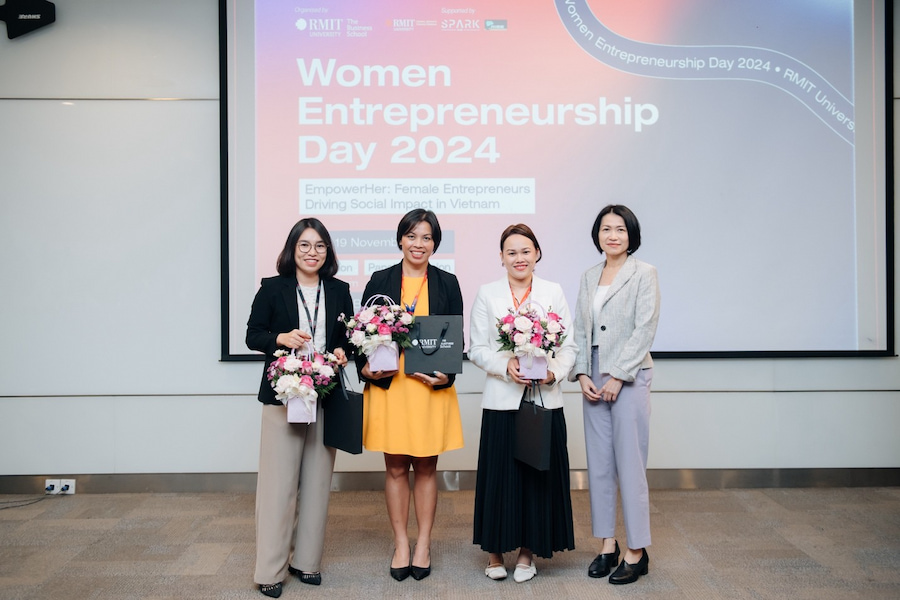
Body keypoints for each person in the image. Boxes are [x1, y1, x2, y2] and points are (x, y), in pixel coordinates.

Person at [246, 218, 355, 598]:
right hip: (285, 395)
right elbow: (252, 335)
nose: (313, 252)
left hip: (324, 396)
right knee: (278, 487)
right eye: (305, 245)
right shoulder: (273, 288)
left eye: (320, 245)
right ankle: (270, 570)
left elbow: (349, 341)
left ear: (328, 252)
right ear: (292, 249)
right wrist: (280, 337)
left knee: (318, 482)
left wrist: (344, 352)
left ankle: (306, 561)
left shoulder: (339, 290)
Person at [356, 208, 465, 582]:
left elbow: (456, 340)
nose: (419, 244)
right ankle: (401, 542)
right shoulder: (380, 279)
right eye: (412, 236)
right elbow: (361, 335)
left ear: (435, 244)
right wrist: (364, 368)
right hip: (391, 387)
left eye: (427, 237)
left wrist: (446, 376)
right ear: (400, 239)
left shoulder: (447, 282)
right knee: (396, 467)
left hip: (427, 388)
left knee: (427, 467)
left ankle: (424, 543)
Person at [468, 224, 577, 583]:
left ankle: (529, 552)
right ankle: (495, 552)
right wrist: (505, 366)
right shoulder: (488, 293)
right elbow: (478, 348)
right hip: (502, 401)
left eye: (526, 251)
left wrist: (554, 373)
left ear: (537, 254)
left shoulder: (552, 291)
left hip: (544, 399)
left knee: (536, 478)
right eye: (511, 252)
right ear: (501, 257)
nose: (519, 258)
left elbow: (569, 347)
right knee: (499, 478)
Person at [570, 205, 660, 585]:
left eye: (620, 229)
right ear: (598, 235)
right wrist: (581, 373)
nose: (612, 236)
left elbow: (645, 327)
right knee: (600, 464)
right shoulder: (590, 275)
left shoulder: (645, 273)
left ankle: (636, 551)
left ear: (631, 235)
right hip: (594, 375)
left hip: (630, 375)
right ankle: (607, 544)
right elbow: (579, 328)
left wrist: (619, 376)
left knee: (630, 464)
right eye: (606, 229)